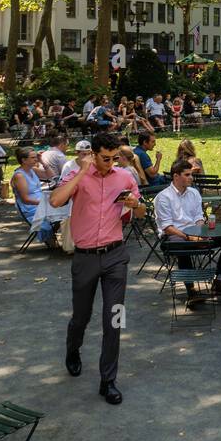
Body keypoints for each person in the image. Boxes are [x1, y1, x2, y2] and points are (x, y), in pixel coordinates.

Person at [50, 131, 146, 406]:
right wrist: (83, 172)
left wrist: (135, 204)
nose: (111, 163)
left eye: (115, 158)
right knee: (81, 316)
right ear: (94, 154)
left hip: (115, 255)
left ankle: (108, 381)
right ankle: (73, 349)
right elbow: (56, 201)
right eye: (105, 158)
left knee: (114, 319)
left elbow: (139, 213)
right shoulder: (79, 175)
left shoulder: (124, 177)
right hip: (85, 257)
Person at [155, 158, 221, 303]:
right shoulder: (163, 197)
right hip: (174, 235)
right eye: (187, 175)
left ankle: (219, 280)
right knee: (180, 244)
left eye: (191, 174)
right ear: (176, 176)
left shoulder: (194, 193)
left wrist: (201, 232)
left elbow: (198, 217)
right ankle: (190, 289)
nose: (191, 177)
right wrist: (189, 237)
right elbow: (167, 227)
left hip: (195, 232)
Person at [12, 147, 57, 249]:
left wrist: (42, 161)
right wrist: (44, 203)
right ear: (23, 160)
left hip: (41, 202)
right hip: (30, 208)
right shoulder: (19, 176)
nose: (36, 159)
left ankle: (56, 239)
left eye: (36, 157)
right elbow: (25, 199)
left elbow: (52, 177)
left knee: (64, 209)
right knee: (59, 210)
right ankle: (51, 240)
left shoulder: (32, 170)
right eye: (33, 157)